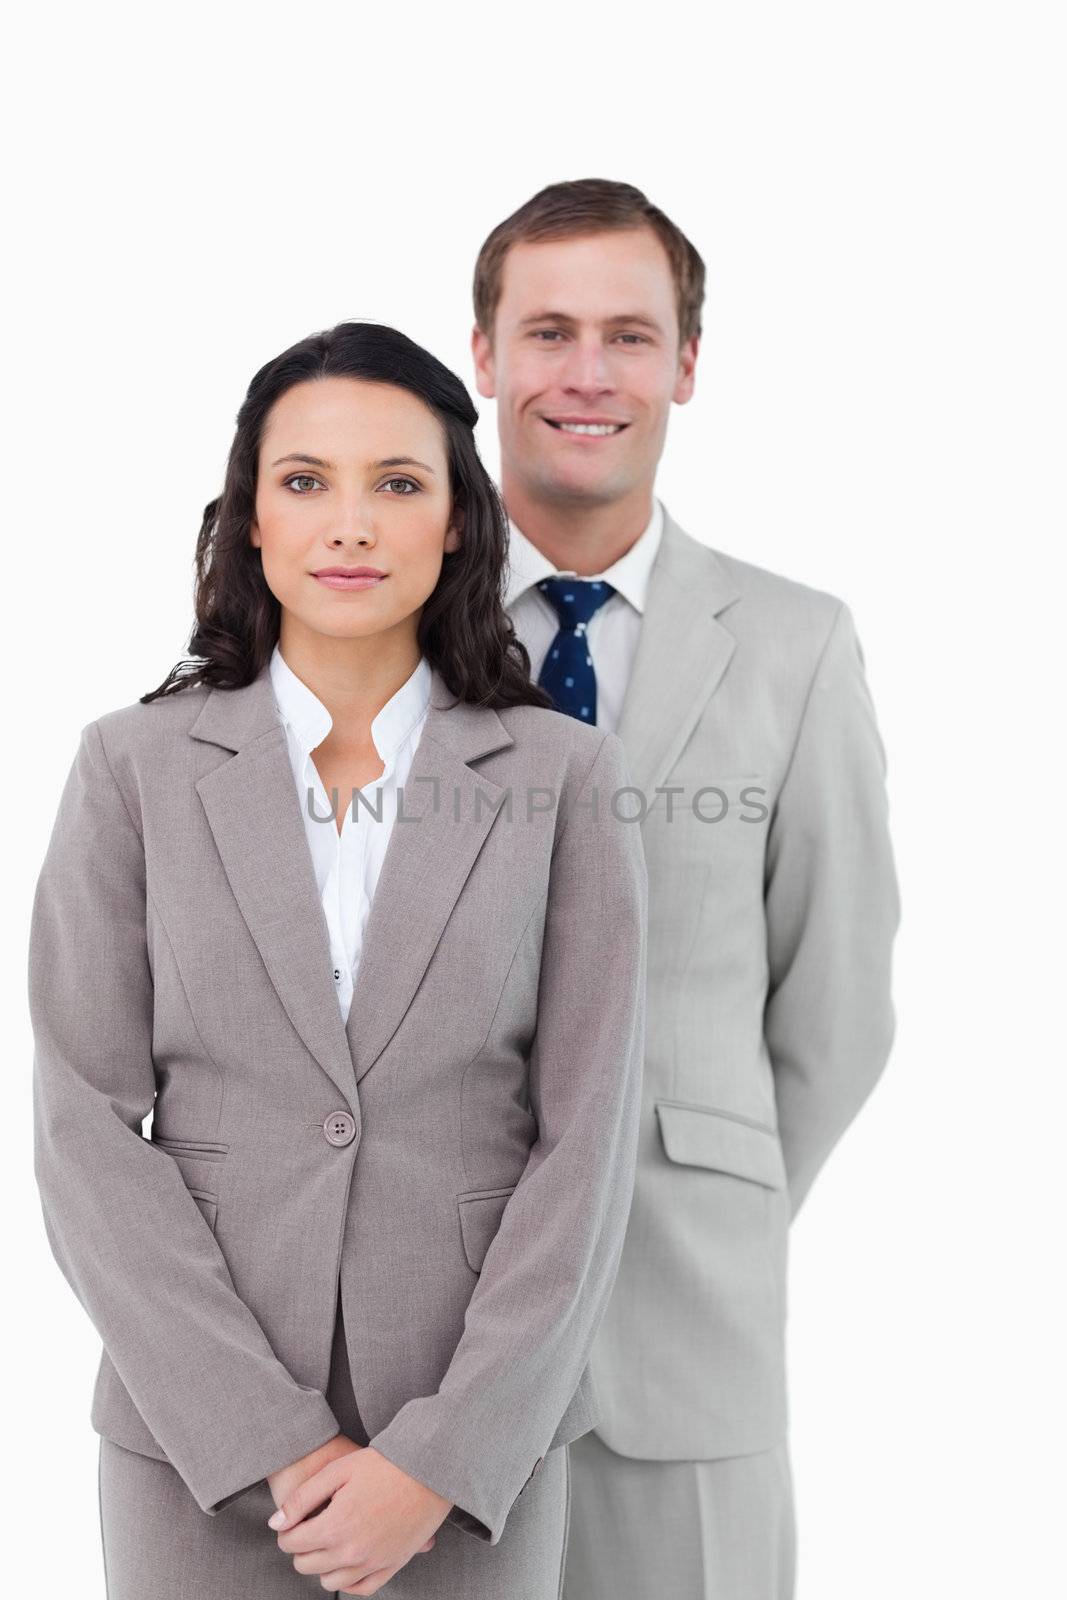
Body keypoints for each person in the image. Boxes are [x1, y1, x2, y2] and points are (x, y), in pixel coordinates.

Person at [28, 320, 648, 1598]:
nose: (350, 524)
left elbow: (585, 1139)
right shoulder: (129, 770)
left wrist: (443, 1453)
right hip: (195, 1449)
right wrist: (272, 1436)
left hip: (475, 1458)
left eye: (397, 484)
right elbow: (81, 1126)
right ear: (250, 517)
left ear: (459, 522)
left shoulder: (563, 776)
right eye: (305, 481)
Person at [470, 177, 901, 1600]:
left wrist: (699, 1186)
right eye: (545, 332)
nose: (585, 375)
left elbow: (830, 1009)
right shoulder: (376, 632)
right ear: (482, 358)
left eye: (627, 336)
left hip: (687, 1332)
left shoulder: (791, 646)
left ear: (685, 366)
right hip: (424, 1351)